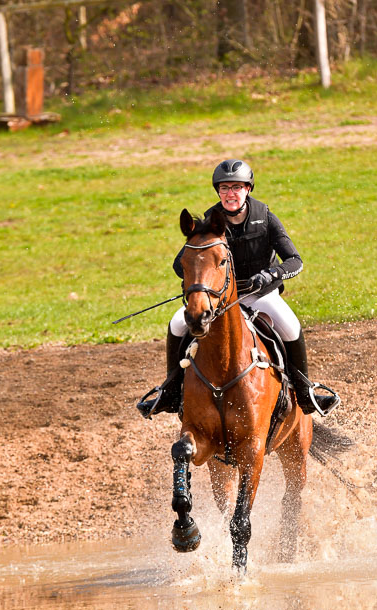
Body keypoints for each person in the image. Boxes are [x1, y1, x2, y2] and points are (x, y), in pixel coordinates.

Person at [137, 159, 340, 418]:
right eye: (224, 188)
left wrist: (269, 275)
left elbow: (295, 261)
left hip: (260, 295)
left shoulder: (264, 217)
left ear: (248, 189)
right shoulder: (210, 222)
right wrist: (200, 285)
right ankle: (170, 392)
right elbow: (181, 264)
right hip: (221, 299)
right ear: (218, 191)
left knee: (290, 326)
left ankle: (305, 391)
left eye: (236, 187)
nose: (230, 193)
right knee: (178, 324)